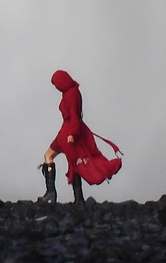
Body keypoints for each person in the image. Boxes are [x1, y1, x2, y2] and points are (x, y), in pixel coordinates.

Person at [38, 70, 122, 205]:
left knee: (58, 158)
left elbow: (74, 114)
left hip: (68, 132)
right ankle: (76, 197)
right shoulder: (71, 92)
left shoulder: (71, 94)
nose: (56, 87)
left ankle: (54, 193)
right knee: (72, 162)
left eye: (56, 84)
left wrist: (72, 133)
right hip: (68, 131)